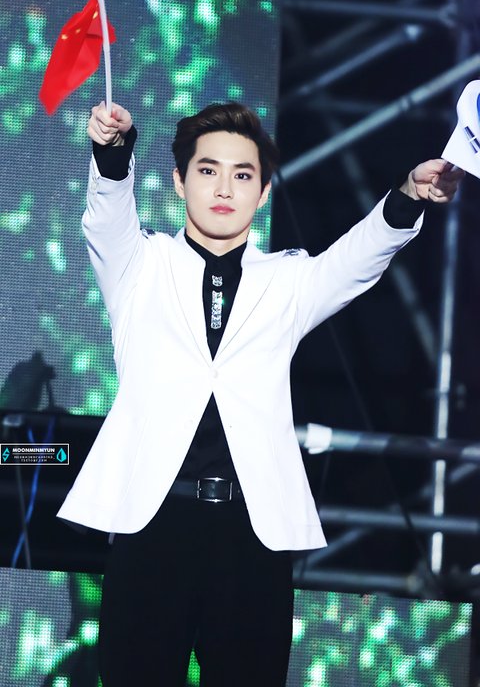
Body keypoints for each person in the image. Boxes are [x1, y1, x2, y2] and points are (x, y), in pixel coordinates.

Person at [57, 100, 463, 686]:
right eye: (208, 170)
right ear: (179, 181)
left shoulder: (288, 280)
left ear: (264, 192)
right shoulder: (139, 265)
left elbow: (355, 262)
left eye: (242, 174)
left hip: (251, 534)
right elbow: (106, 216)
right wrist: (113, 153)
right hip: (154, 524)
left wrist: (408, 195)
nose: (225, 188)